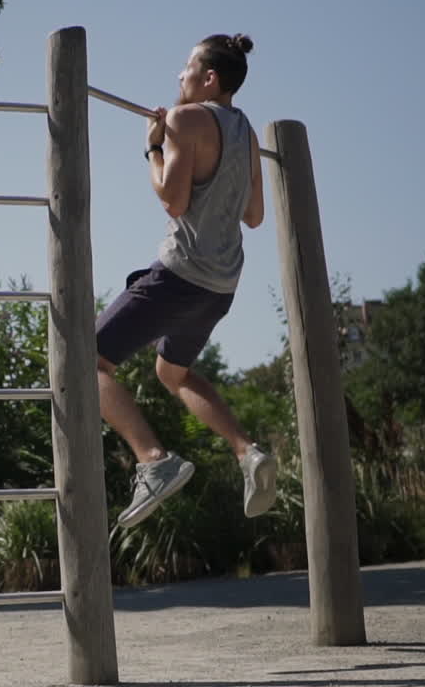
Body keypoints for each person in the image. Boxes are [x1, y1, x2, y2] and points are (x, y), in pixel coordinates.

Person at [96, 33, 278, 528]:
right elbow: (255, 215)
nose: (179, 76)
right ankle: (246, 451)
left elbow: (172, 201)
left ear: (209, 78)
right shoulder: (247, 134)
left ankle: (154, 461)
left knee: (83, 361)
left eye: (186, 68)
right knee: (171, 373)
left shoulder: (183, 119)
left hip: (178, 275)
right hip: (221, 286)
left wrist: (153, 149)